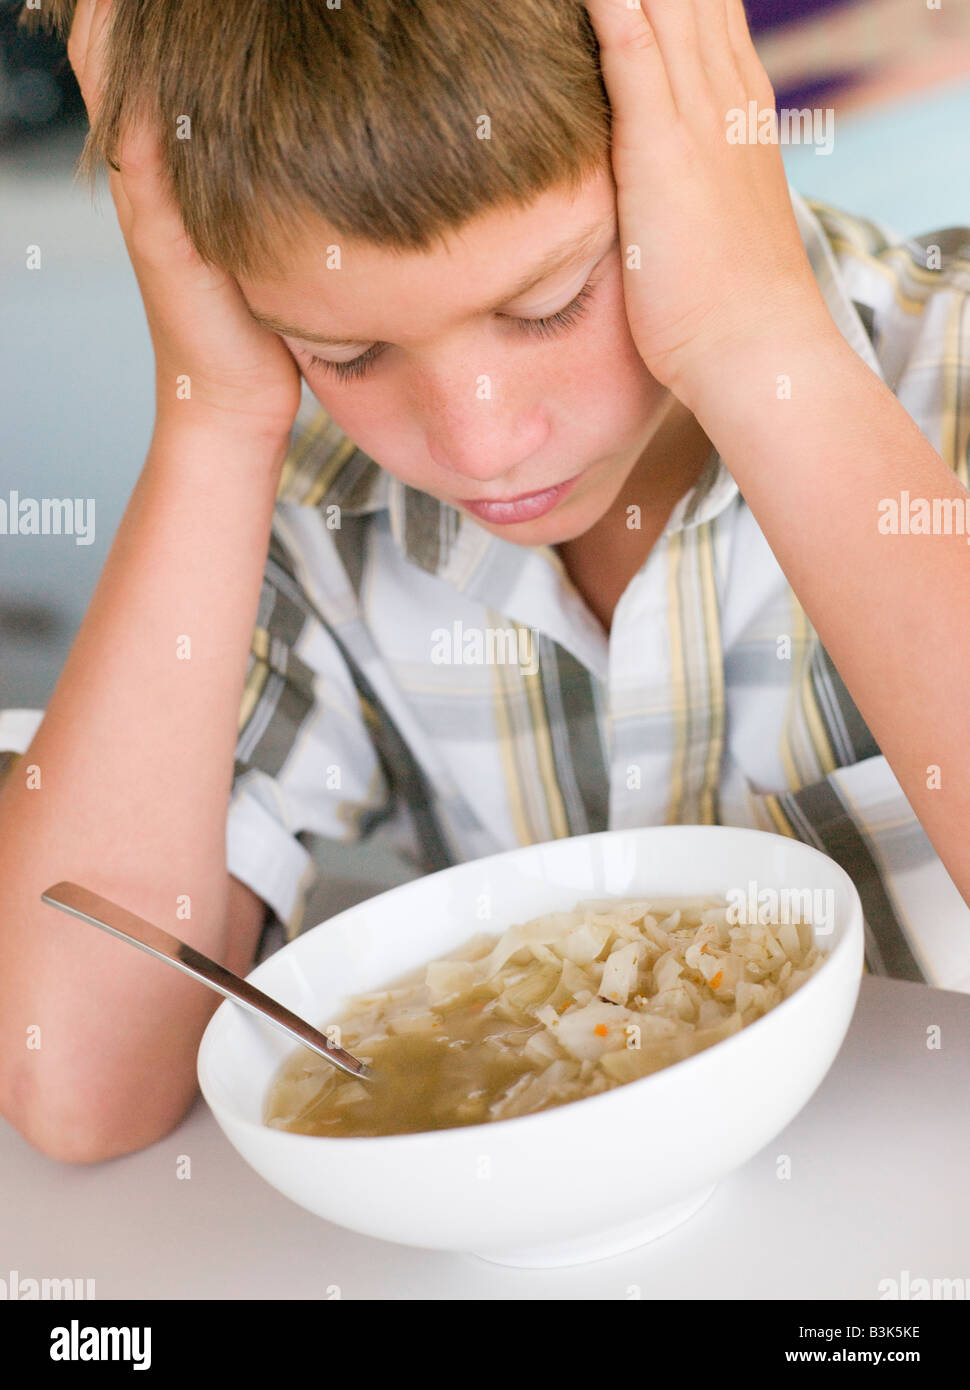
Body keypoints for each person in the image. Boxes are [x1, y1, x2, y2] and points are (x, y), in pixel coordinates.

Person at [2, 0, 968, 1164]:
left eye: (544, 305)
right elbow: (76, 1084)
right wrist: (214, 425)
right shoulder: (316, 518)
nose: (477, 445)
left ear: (709, 144)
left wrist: (756, 338)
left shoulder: (941, 370)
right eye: (344, 352)